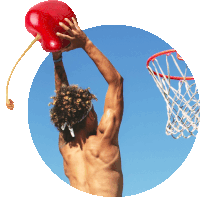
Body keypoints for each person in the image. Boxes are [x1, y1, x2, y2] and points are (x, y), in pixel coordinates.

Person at [50, 17, 124, 197]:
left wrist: (57, 58)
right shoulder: (103, 141)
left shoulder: (66, 149)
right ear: (91, 116)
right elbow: (115, 82)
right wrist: (85, 42)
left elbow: (63, 101)